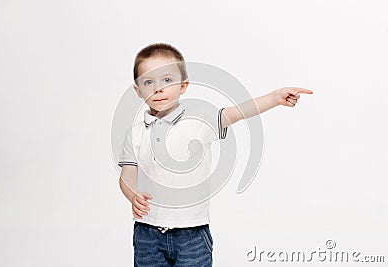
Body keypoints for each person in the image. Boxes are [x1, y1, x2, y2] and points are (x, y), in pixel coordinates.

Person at [118, 43, 313, 266]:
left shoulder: (199, 121)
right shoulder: (135, 133)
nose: (158, 88)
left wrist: (274, 98)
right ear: (138, 90)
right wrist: (133, 195)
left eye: (167, 80)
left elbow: (237, 112)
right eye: (149, 82)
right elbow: (127, 175)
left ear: (183, 86)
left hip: (191, 233)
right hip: (147, 233)